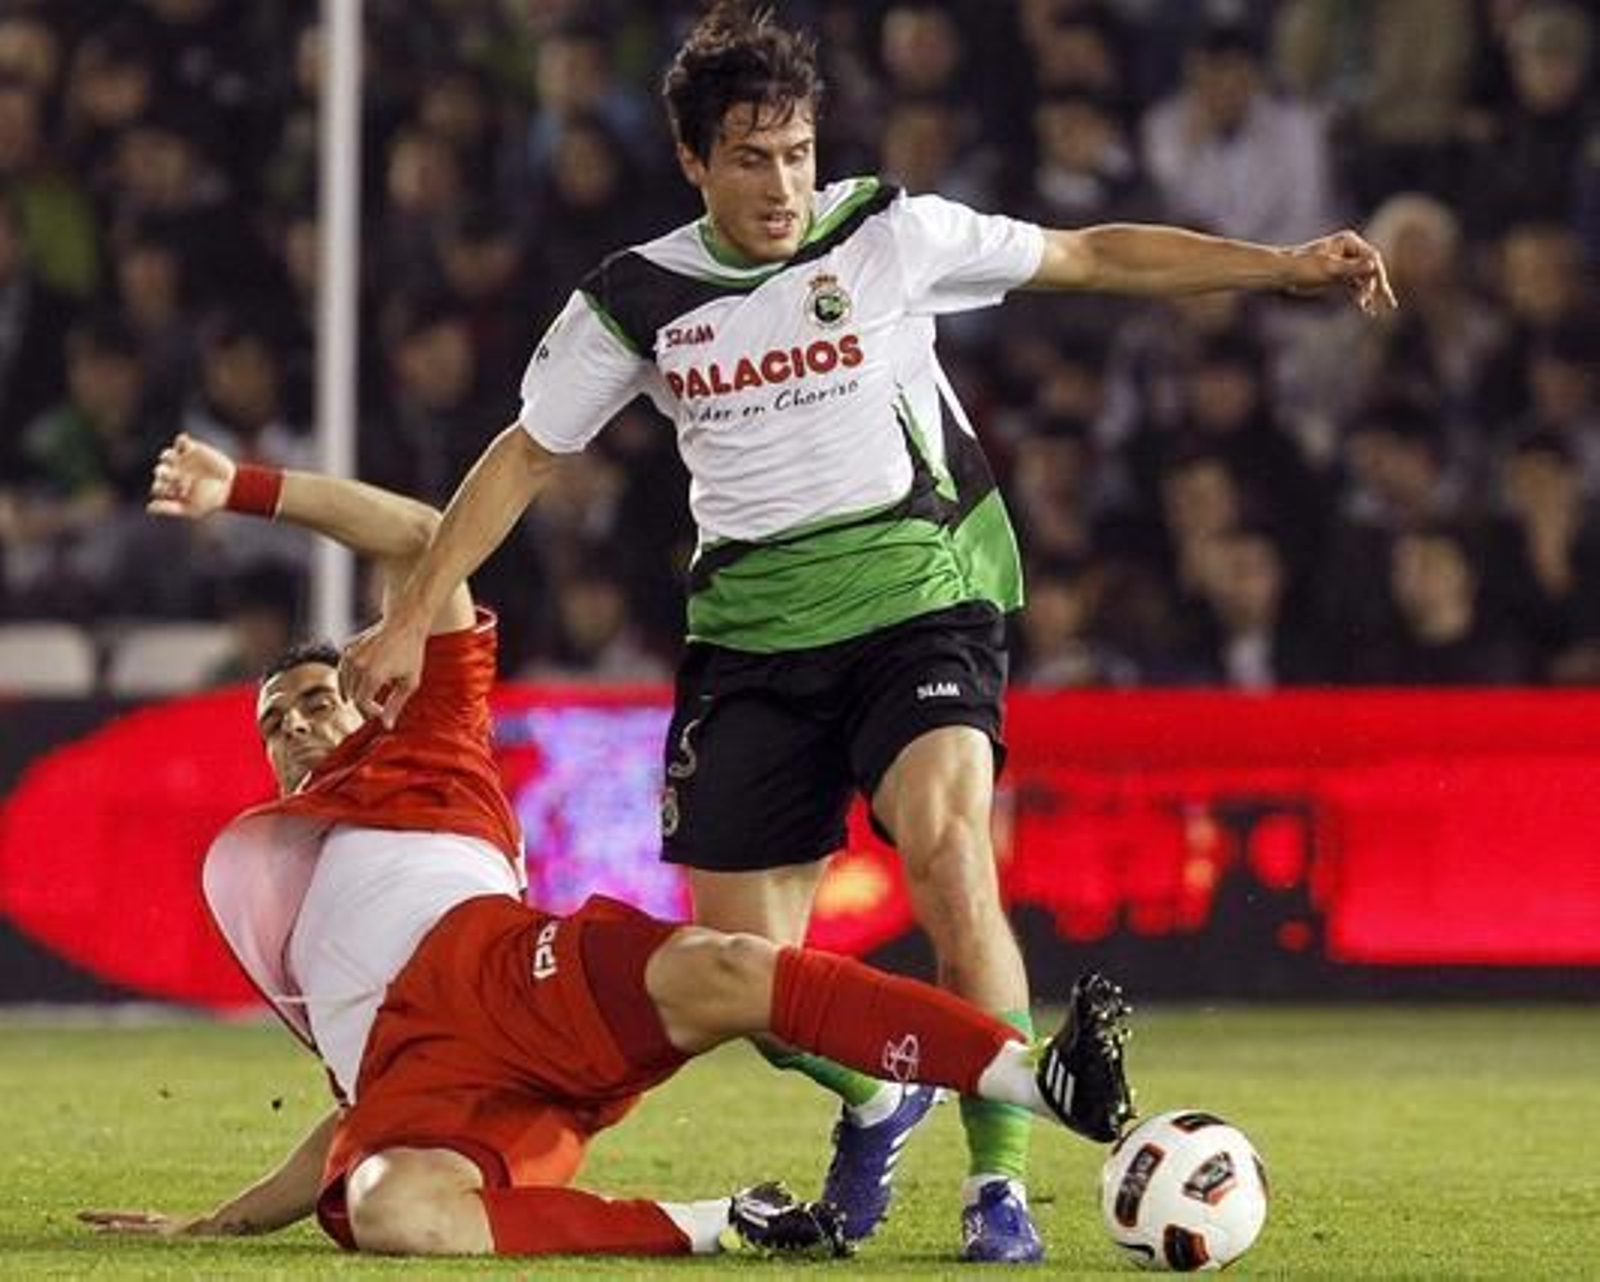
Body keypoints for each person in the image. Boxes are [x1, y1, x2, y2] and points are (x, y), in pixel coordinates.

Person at [338, 1, 1395, 1262]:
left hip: (922, 601)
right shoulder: (634, 298)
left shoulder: (890, 231)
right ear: (693, 161)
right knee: (748, 984)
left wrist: (1279, 266)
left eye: (795, 151)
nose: (782, 183)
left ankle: (996, 1188)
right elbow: (522, 458)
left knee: (951, 851)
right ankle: (877, 1092)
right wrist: (412, 613)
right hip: (753, 646)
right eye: (748, 157)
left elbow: (1092, 255)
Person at [81, 434, 1131, 1260]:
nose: (298, 721)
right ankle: (727, 1223)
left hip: (514, 974)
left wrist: (247, 489)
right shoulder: (289, 902)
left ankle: (1043, 1083)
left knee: (734, 968)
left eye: (314, 699)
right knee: (387, 1206)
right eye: (275, 719)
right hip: (430, 1085)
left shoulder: (430, 740)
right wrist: (222, 1223)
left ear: (365, 706)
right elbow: (354, 1111)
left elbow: (418, 535)